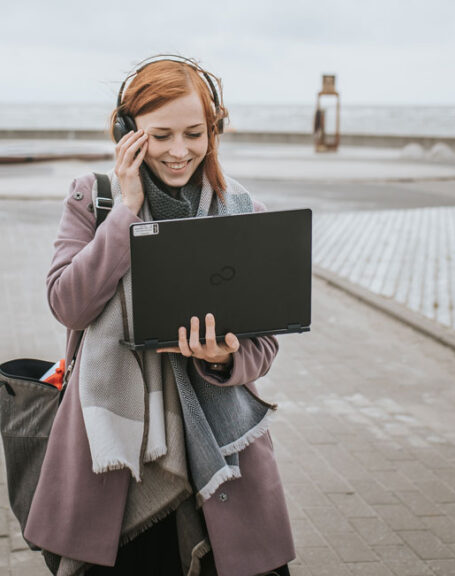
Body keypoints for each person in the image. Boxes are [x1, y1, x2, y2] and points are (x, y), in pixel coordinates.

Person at [24, 56, 295, 576]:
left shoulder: (241, 210)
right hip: (116, 459)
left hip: (221, 456)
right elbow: (69, 304)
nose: (178, 151)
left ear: (213, 131)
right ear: (128, 132)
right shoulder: (94, 198)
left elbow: (265, 344)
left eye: (194, 133)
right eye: (160, 134)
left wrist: (224, 358)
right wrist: (126, 212)